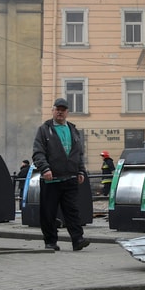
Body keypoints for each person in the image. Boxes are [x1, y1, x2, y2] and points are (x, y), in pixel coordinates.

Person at [32, 98, 90, 252]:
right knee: (48, 212)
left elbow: (79, 153)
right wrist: (45, 169)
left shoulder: (73, 130)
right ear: (53, 110)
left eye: (63, 110)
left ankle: (78, 239)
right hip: (51, 179)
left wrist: (80, 170)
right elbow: (38, 152)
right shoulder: (44, 129)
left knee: (72, 211)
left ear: (67, 112)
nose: (60, 112)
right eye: (57, 109)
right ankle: (50, 241)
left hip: (70, 178)